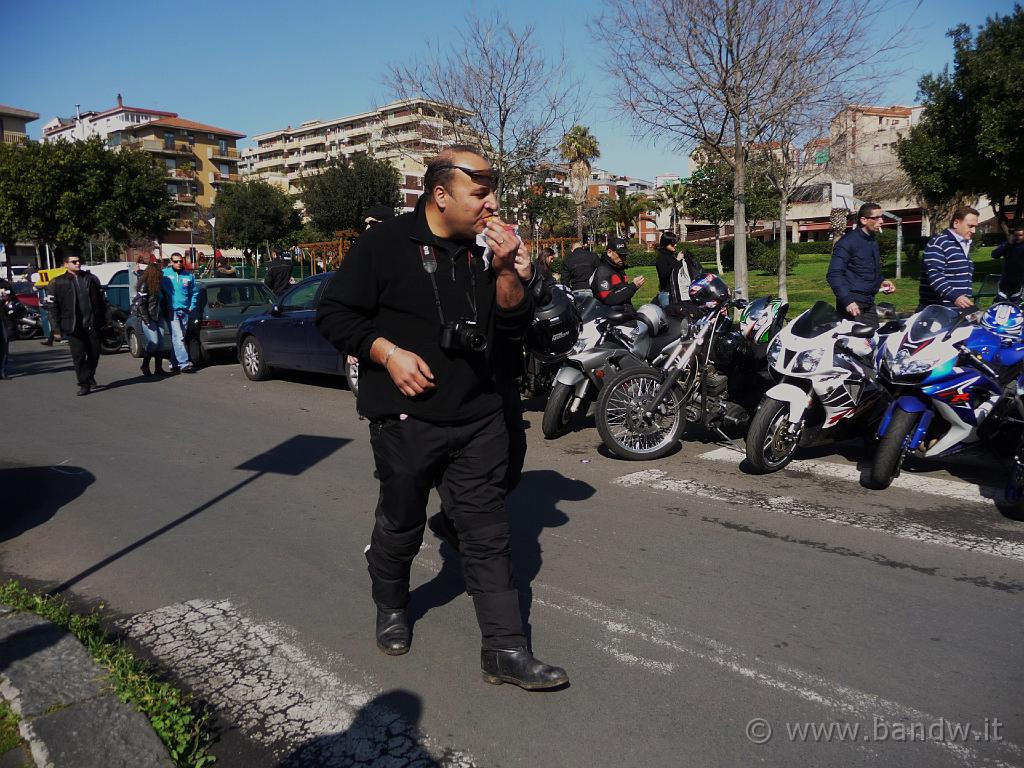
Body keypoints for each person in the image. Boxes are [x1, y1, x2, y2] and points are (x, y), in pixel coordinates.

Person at [316, 145, 568, 690]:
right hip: (405, 419)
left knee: (487, 533)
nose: (491, 206)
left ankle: (504, 649)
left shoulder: (487, 251)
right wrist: (387, 353)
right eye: (479, 195)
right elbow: (333, 313)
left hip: (478, 416)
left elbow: (513, 325)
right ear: (440, 195)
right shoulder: (383, 244)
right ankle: (391, 602)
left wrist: (508, 272)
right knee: (402, 524)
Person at [826, 202, 896, 327]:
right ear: (863, 220)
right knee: (854, 344)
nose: (881, 221)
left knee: (873, 340)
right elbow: (834, 274)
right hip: (852, 304)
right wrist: (848, 301)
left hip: (868, 302)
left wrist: (881, 281)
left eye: (882, 217)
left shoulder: (871, 240)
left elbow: (868, 268)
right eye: (876, 218)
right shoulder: (847, 242)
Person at [47, 255, 108, 395]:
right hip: (73, 325)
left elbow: (101, 301)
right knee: (79, 356)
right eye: (74, 262)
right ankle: (84, 383)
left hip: (92, 323)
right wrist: (56, 327)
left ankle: (90, 375)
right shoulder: (58, 282)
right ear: (66, 264)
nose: (78, 263)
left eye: (79, 261)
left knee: (95, 353)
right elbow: (52, 306)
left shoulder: (90, 279)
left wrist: (105, 319)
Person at [919, 206, 979, 310]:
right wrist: (955, 297)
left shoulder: (963, 244)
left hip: (957, 310)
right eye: (970, 226)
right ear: (956, 223)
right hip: (936, 312)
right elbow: (934, 275)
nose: (974, 230)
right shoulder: (939, 243)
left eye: (975, 226)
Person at [161, 252, 197, 373]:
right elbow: (156, 285)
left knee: (178, 338)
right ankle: (184, 363)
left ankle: (174, 362)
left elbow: (194, 292)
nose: (178, 263)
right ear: (171, 262)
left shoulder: (189, 276)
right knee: (178, 337)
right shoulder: (165, 274)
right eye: (176, 261)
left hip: (185, 310)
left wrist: (192, 306)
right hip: (172, 310)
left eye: (180, 261)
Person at [591, 237, 645, 310]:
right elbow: (609, 299)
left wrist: (633, 287)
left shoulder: (618, 268)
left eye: (625, 255)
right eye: (620, 255)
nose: (623, 258)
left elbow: (623, 292)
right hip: (610, 316)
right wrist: (633, 286)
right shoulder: (603, 271)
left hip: (625, 313)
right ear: (609, 252)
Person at [136, 258, 168, 376]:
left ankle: (158, 368)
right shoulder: (145, 285)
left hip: (159, 316)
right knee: (153, 341)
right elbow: (141, 304)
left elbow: (163, 302)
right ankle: (145, 365)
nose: (161, 274)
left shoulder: (159, 286)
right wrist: (146, 319)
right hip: (149, 317)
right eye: (159, 272)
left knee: (160, 343)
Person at [993, 226, 1024, 304]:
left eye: (1020, 235)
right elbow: (994, 254)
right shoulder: (1008, 245)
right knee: (1000, 302)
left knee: (1017, 304)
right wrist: (1008, 243)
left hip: (1020, 281)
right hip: (1006, 280)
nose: (1017, 237)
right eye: (1015, 235)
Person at [0, 277, 11, 380]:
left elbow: (12, 297)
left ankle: (2, 371)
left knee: (3, 343)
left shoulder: (4, 284)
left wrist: (6, 298)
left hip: (2, 318)